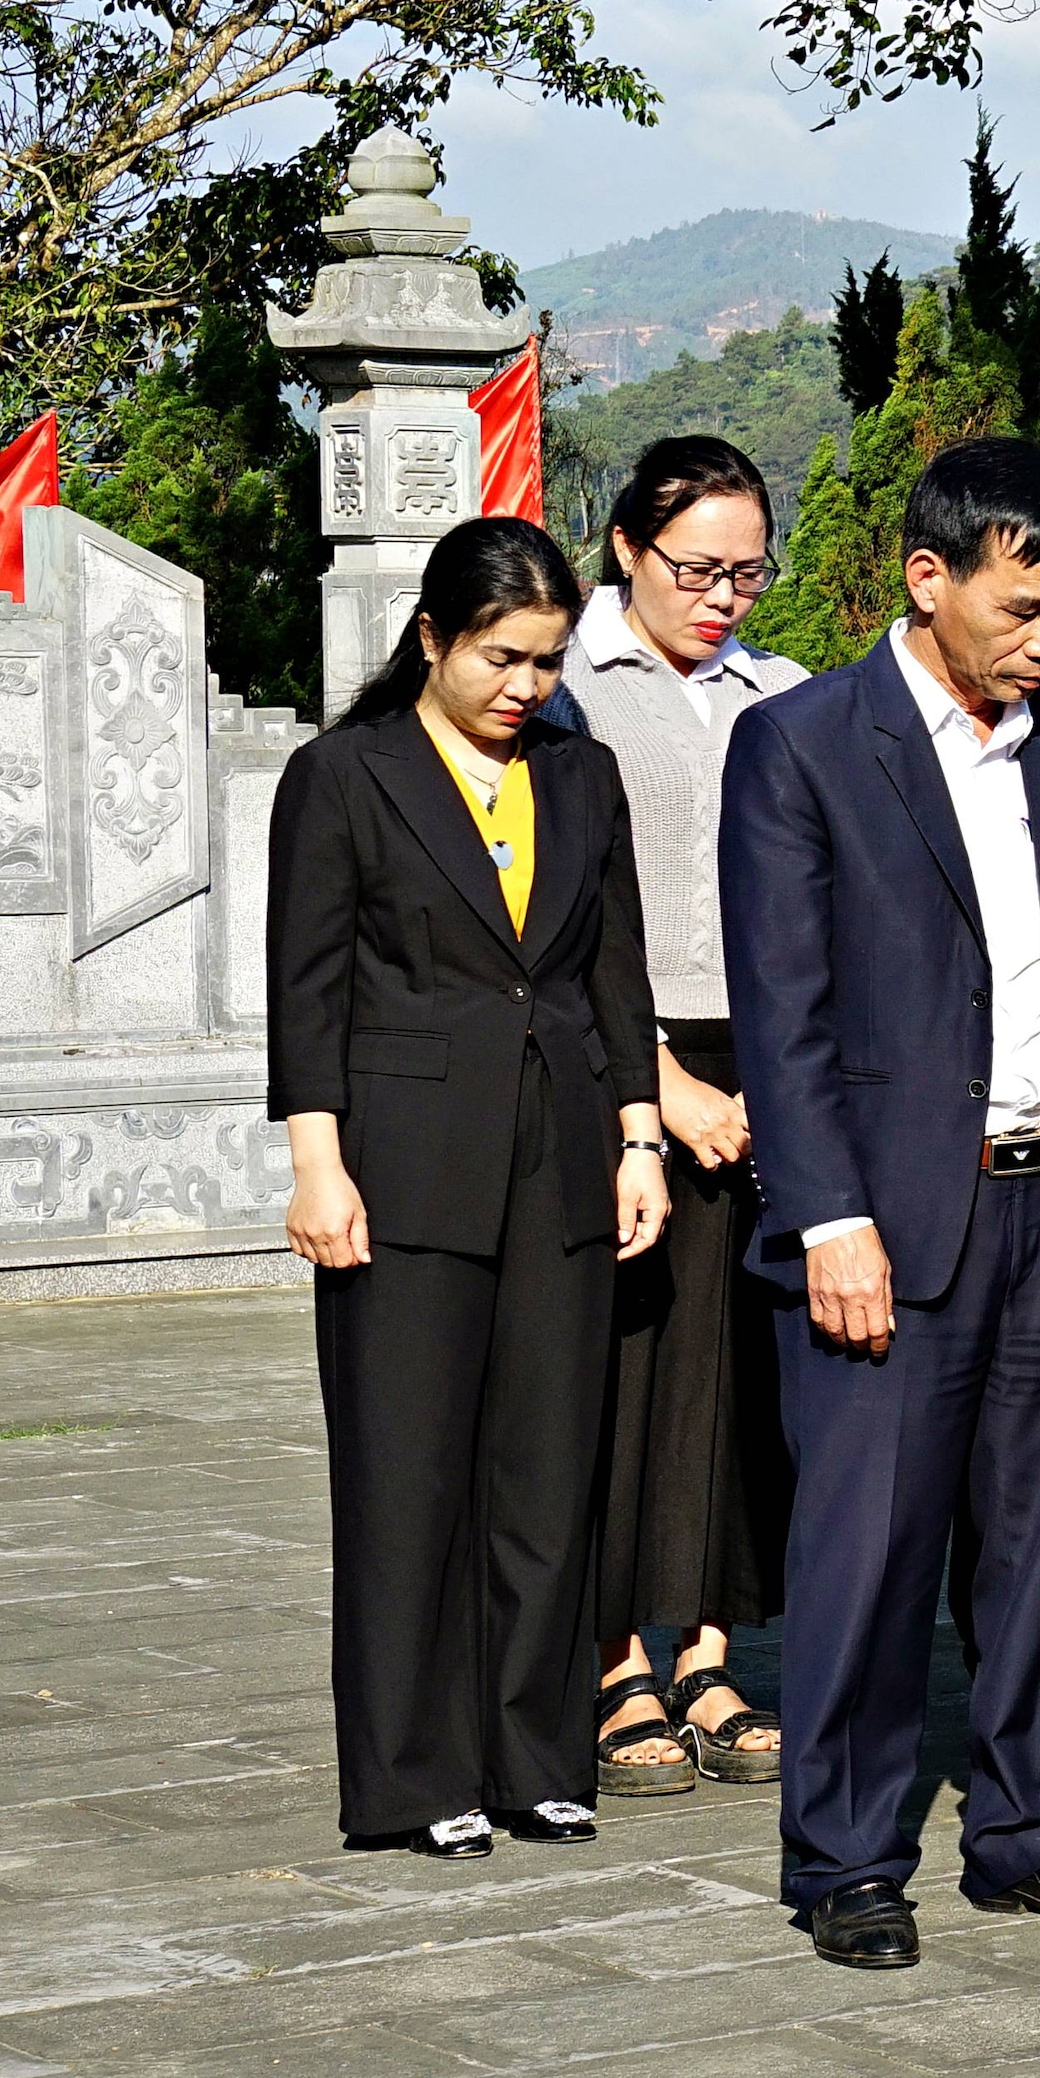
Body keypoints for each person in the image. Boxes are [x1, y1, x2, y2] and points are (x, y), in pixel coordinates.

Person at [725, 439, 1040, 1971]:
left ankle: (1034, 1830)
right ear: (931, 577)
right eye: (1025, 607)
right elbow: (785, 1008)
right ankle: (847, 1850)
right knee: (873, 1550)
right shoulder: (806, 746)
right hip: (891, 1220)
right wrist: (830, 1213)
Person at [268, 516, 673, 1858]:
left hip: (561, 1153)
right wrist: (316, 1164)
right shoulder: (345, 776)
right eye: (503, 658)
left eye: (550, 663)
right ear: (434, 636)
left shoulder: (581, 774)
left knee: (548, 1473)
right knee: (408, 1479)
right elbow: (307, 991)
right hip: (403, 1167)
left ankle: (538, 1753)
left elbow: (614, 970)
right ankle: (412, 1774)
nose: (527, 687)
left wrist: (637, 1137)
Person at [555, 440, 801, 1797]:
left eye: (746, 571)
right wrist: (659, 1082)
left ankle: (707, 1647)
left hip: (765, 1063)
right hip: (615, 1057)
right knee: (624, 1367)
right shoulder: (570, 694)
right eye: (694, 570)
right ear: (624, 551)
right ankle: (609, 1659)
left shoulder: (782, 692)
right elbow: (562, 921)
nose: (721, 598)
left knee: (736, 1378)